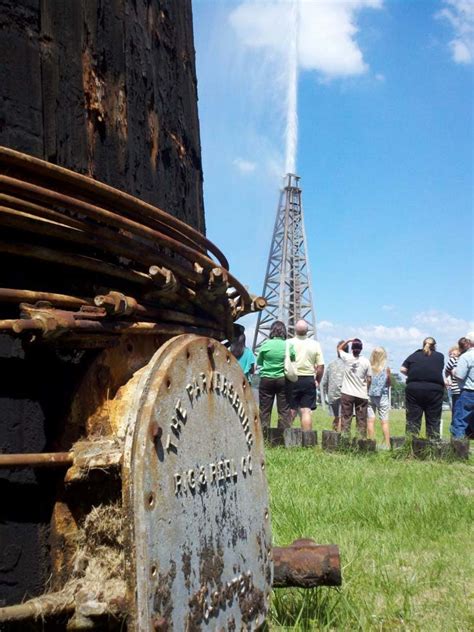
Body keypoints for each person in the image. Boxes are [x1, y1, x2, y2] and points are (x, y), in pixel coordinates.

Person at [400, 337, 444, 439]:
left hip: (414, 389)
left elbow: (402, 369)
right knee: (433, 420)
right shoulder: (440, 356)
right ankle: (432, 446)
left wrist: (411, 374)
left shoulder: (414, 355)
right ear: (435, 346)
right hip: (434, 390)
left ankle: (410, 445)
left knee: (413, 420)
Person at [256, 321, 295, 430]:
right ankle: (282, 436)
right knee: (284, 410)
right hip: (283, 379)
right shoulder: (288, 345)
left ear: (271, 331)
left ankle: (264, 435)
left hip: (266, 379)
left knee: (264, 409)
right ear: (284, 332)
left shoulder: (265, 345)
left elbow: (259, 362)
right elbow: (292, 361)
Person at [288, 319, 325, 431]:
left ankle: (285, 435)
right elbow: (321, 366)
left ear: (295, 330)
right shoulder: (315, 345)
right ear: (307, 330)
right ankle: (307, 438)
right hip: (308, 379)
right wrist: (317, 380)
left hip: (291, 379)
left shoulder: (288, 343)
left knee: (291, 409)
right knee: (306, 411)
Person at [337, 338, 372, 437]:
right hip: (361, 394)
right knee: (361, 420)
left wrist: (348, 341)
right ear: (361, 348)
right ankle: (361, 442)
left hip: (347, 392)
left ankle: (345, 440)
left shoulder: (347, 358)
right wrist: (366, 389)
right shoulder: (366, 361)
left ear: (352, 348)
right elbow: (369, 378)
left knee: (346, 418)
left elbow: (339, 349)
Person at [367, 347, 391, 447]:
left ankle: (372, 442)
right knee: (384, 422)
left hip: (370, 396)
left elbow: (367, 381)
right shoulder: (386, 369)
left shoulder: (369, 367)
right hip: (383, 396)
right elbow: (389, 383)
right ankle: (387, 444)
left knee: (370, 420)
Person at [322, 341, 348, 431]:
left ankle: (334, 436)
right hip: (345, 393)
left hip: (332, 395)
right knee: (342, 417)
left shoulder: (331, 365)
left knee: (336, 417)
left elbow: (324, 382)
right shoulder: (350, 364)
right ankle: (340, 438)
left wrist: (325, 395)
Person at [452, 333, 474, 439]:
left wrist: (454, 372)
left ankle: (459, 449)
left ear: (468, 343)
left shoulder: (466, 357)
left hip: (468, 391)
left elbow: (460, 376)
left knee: (460, 420)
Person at [444, 345, 460, 418]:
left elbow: (446, 371)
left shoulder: (452, 360)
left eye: (453, 354)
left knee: (454, 410)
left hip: (454, 389)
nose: (451, 356)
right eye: (450, 354)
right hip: (461, 389)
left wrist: (448, 380)